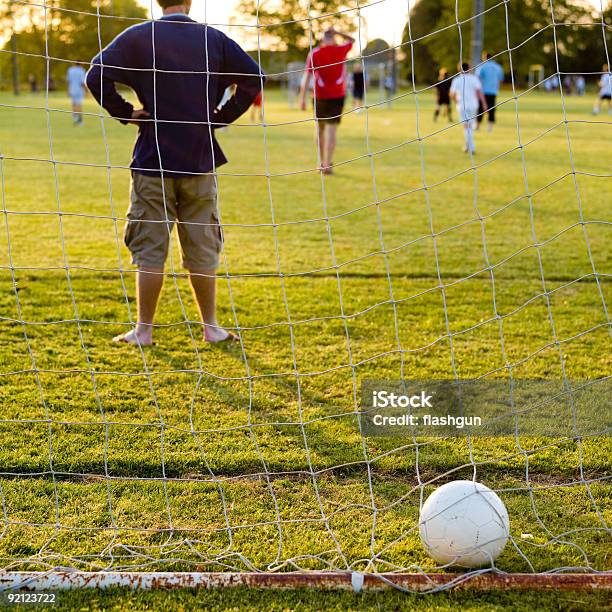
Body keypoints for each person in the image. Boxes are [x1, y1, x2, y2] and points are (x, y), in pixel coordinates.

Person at [86, 0, 264, 346]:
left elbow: (96, 73)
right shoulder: (213, 38)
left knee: (150, 249)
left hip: (153, 158)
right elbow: (255, 78)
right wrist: (221, 117)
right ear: (190, 3)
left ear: (158, 2)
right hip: (199, 159)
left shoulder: (139, 36)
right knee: (202, 247)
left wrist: (125, 112)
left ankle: (144, 330)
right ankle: (211, 327)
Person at [299, 27, 355, 175]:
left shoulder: (315, 53)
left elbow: (306, 77)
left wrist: (302, 98)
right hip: (334, 96)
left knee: (321, 130)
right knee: (330, 131)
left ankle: (322, 163)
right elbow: (352, 40)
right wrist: (338, 32)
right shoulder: (340, 50)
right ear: (333, 38)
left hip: (321, 97)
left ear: (322, 39)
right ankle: (327, 164)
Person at [450, 62, 487, 154]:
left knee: (467, 127)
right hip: (474, 105)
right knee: (469, 126)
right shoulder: (474, 79)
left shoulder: (457, 80)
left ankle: (471, 148)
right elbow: (479, 92)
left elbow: (452, 94)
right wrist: (484, 104)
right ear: (469, 68)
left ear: (459, 69)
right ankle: (468, 146)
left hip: (462, 106)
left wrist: (456, 101)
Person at [475, 52, 504, 132]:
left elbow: (478, 79)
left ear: (484, 58)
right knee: (492, 109)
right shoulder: (498, 67)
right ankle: (490, 128)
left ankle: (477, 126)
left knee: (480, 109)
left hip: (483, 91)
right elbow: (501, 79)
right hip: (493, 91)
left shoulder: (481, 67)